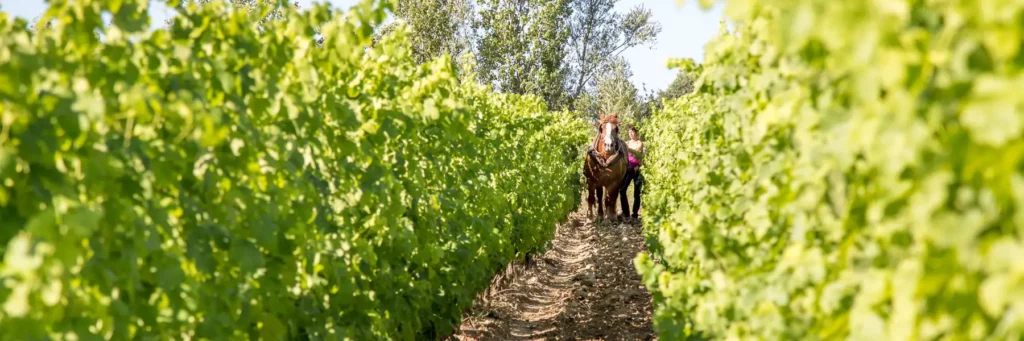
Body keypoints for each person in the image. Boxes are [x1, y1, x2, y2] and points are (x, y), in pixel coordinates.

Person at [619, 125, 644, 222]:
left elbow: (637, 152)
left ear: (636, 133)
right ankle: (626, 213)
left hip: (637, 170)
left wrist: (628, 149)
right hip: (628, 169)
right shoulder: (627, 143)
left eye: (632, 132)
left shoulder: (639, 143)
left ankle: (634, 215)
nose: (630, 134)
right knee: (622, 190)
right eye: (629, 132)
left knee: (636, 193)